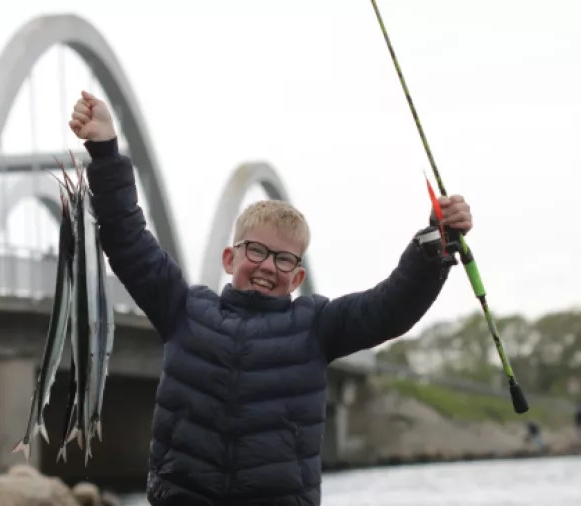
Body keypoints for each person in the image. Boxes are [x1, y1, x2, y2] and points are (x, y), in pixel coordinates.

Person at [68, 90, 474, 506]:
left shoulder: (317, 326)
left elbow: (391, 307)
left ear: (298, 276)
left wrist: (434, 244)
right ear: (230, 257)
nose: (266, 267)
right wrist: (104, 150)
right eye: (256, 251)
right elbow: (127, 240)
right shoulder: (183, 309)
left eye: (283, 259)